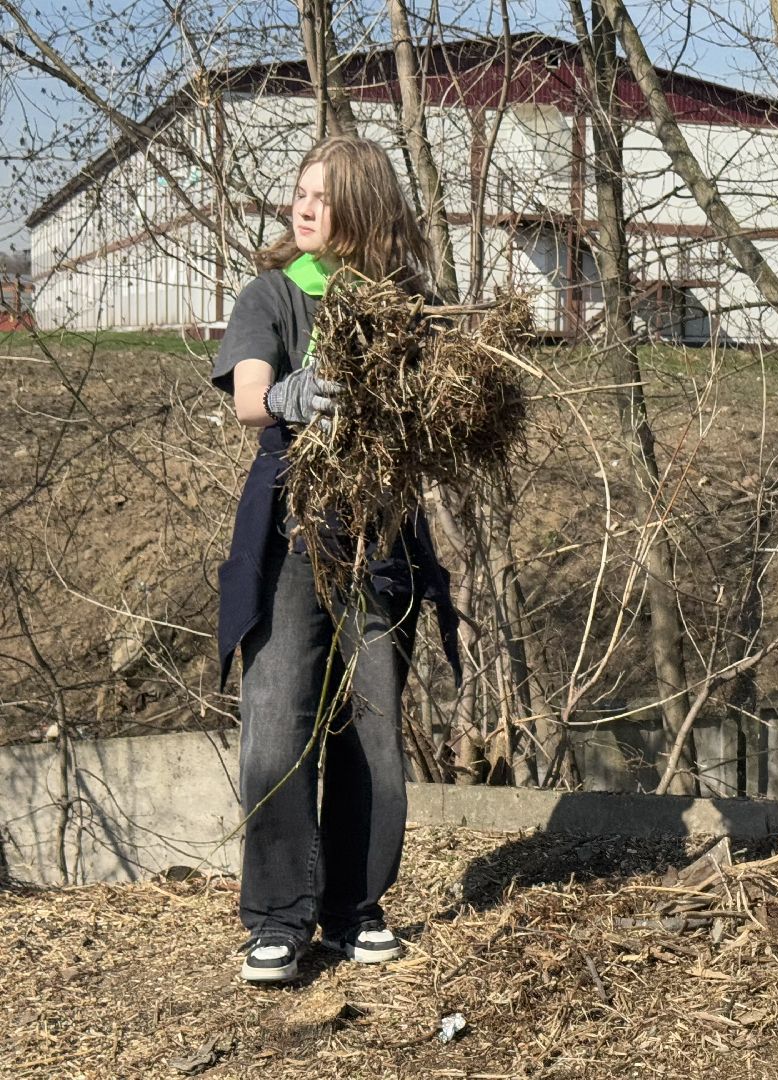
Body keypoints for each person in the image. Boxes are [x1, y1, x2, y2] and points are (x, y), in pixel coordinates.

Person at [211, 136, 460, 984]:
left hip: (382, 535)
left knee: (373, 730)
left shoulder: (403, 302)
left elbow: (440, 405)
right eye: (300, 191)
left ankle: (353, 908)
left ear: (364, 208)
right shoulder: (274, 294)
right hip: (291, 531)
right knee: (278, 726)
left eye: (325, 195)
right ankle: (277, 919)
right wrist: (286, 394)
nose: (303, 206)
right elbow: (250, 395)